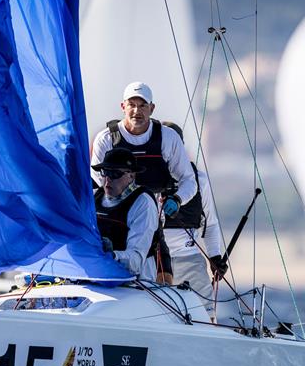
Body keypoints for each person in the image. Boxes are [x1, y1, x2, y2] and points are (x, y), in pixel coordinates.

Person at [91, 82, 197, 279]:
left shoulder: (167, 137)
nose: (136, 111)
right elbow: (99, 183)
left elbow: (189, 181)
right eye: (131, 105)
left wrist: (177, 199)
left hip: (152, 220)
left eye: (142, 105)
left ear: (152, 108)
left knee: (164, 282)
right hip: (114, 218)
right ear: (123, 107)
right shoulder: (105, 138)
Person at [161, 122, 227, 318]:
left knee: (205, 317)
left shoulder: (199, 179)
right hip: (152, 261)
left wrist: (215, 256)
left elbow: (211, 223)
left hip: (188, 259)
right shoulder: (144, 179)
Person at [92, 148, 159, 280]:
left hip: (136, 284)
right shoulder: (95, 197)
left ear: (131, 176)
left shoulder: (143, 203)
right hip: (101, 278)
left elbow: (136, 260)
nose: (107, 180)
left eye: (115, 174)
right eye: (105, 172)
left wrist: (113, 255)